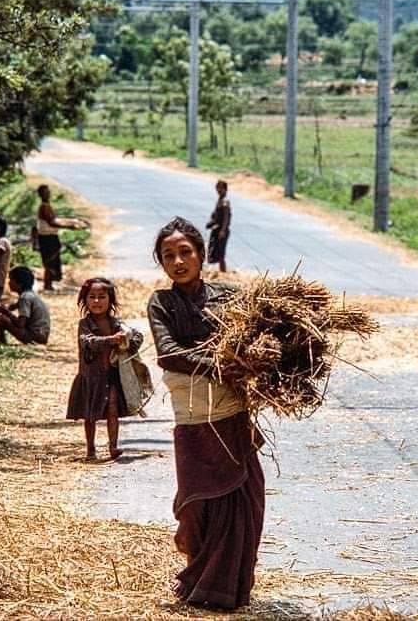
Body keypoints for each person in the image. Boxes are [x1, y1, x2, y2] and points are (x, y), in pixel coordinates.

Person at [147, 216, 264, 610]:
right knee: (195, 505)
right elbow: (168, 354)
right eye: (169, 256)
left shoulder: (230, 297)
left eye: (186, 252)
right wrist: (218, 364)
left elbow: (256, 341)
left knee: (243, 500)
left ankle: (225, 588)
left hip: (232, 414)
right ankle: (200, 574)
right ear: (161, 263)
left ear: (202, 254)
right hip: (194, 418)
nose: (178, 261)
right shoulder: (161, 303)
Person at [66, 277, 141, 461]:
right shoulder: (85, 324)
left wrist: (129, 340)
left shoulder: (117, 324)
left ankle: (113, 446)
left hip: (112, 375)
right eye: (92, 297)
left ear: (110, 300)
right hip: (91, 377)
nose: (97, 301)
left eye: (102, 297)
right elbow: (87, 342)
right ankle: (90, 449)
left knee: (112, 409)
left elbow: (137, 336)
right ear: (85, 300)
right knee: (90, 413)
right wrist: (110, 340)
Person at [35, 184, 87, 291]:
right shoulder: (44, 207)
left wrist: (70, 222)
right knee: (50, 260)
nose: (48, 193)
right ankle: (47, 285)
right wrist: (69, 226)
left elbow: (54, 220)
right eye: (46, 192)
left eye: (48, 191)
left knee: (50, 260)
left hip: (48, 236)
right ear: (41, 194)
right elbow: (52, 222)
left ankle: (48, 284)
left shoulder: (46, 205)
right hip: (47, 237)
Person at [0, 266, 51, 345]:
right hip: (41, 336)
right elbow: (11, 306)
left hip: (35, 337)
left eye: (11, 280)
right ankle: (0, 341)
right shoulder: (30, 295)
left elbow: (20, 324)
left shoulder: (25, 298)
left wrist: (4, 311)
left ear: (19, 284)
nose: (9, 282)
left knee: (1, 318)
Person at [205, 180, 231, 273]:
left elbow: (226, 218)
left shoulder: (225, 202)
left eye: (221, 188)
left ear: (225, 189)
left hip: (222, 230)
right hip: (217, 229)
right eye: (218, 187)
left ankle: (223, 273)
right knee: (215, 251)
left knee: (221, 254)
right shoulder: (219, 200)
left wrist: (222, 230)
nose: (219, 190)